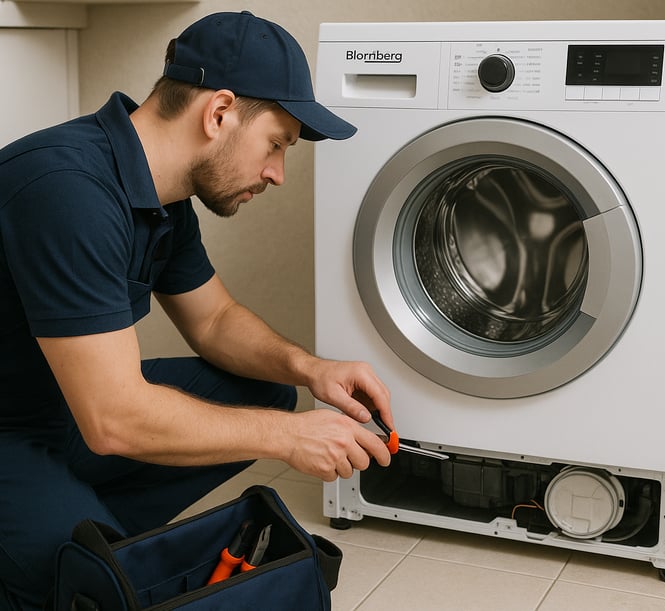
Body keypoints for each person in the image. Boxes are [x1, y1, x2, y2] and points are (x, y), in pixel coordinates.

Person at [0, 11, 393, 610]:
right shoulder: (67, 188)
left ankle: (88, 532)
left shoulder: (164, 194)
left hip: (56, 408)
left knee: (267, 391)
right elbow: (113, 420)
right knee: (82, 584)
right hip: (15, 428)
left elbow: (213, 322)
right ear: (219, 113)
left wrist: (312, 370)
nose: (277, 174)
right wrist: (289, 439)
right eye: (277, 144)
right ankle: (70, 550)